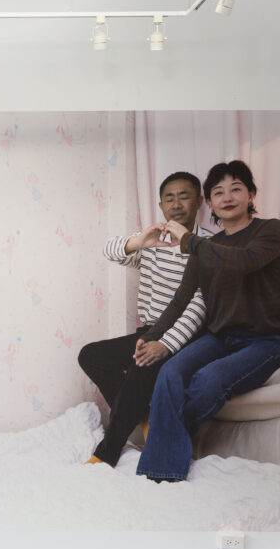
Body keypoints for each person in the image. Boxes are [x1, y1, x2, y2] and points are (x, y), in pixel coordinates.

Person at [135, 160, 280, 482]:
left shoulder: (271, 230)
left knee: (208, 380)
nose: (227, 197)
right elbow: (182, 299)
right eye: (218, 192)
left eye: (236, 188)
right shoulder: (209, 247)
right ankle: (159, 472)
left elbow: (245, 262)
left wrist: (191, 242)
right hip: (222, 336)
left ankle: (162, 458)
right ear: (208, 202)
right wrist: (153, 335)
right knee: (169, 372)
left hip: (269, 339)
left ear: (251, 195)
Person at [77, 172, 212, 466]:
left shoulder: (208, 245)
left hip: (186, 335)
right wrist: (139, 241)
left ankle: (107, 452)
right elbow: (109, 251)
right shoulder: (154, 242)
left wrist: (165, 343)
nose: (176, 204)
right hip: (149, 330)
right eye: (169, 198)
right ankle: (144, 417)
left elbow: (199, 307)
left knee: (141, 362)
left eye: (184, 196)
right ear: (161, 205)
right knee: (91, 355)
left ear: (199, 201)